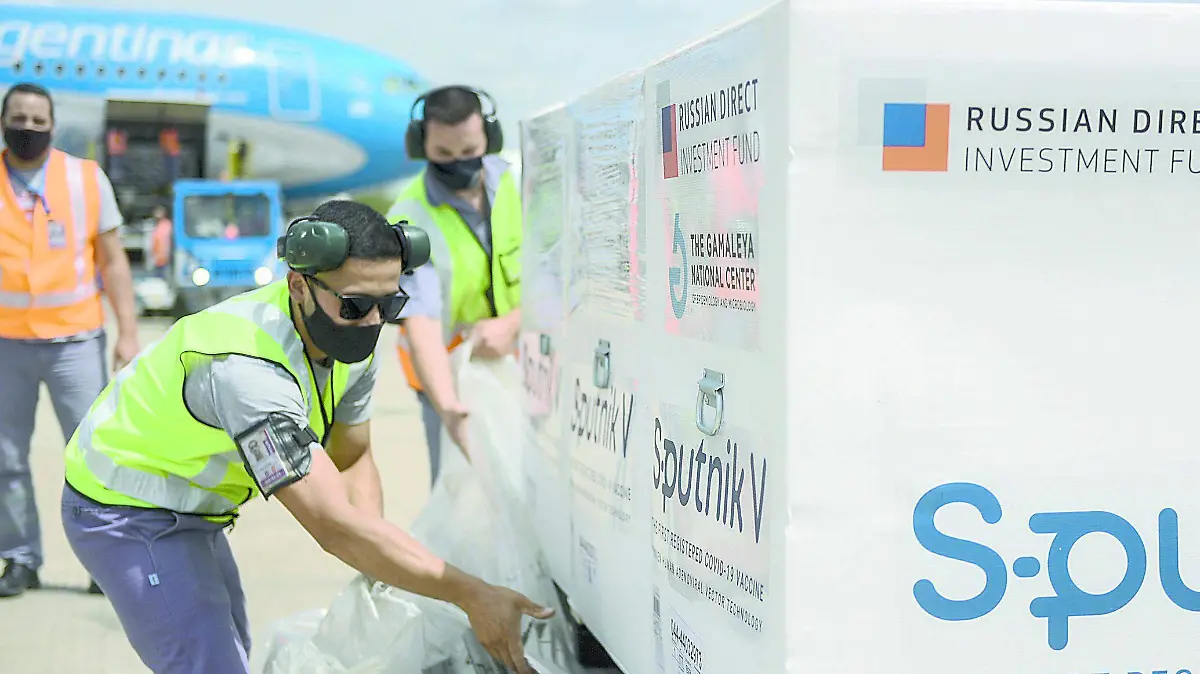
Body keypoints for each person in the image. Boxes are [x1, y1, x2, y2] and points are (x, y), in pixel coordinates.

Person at [61, 199, 552, 674]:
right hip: (125, 508)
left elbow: (352, 456)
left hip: (195, 510)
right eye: (355, 305)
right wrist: (470, 594)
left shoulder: (350, 341)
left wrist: (380, 564)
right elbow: (331, 524)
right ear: (298, 286)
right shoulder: (247, 371)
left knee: (231, 650)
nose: (373, 321)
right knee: (209, 665)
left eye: (390, 303)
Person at [0, 82, 141, 598]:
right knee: (6, 459)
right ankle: (19, 558)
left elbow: (113, 261)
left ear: (53, 126)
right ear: (3, 122)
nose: (28, 128)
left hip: (75, 343)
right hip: (6, 344)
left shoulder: (85, 179)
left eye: (38, 120)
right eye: (18, 118)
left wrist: (128, 332)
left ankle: (104, 561)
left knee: (92, 455)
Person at [387, 85, 522, 485]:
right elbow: (422, 319)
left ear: (489, 138)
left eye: (468, 150)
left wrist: (512, 324)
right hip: (447, 378)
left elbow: (558, 271)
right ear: (421, 146)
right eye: (443, 154)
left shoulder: (522, 184)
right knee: (461, 491)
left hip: (526, 365)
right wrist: (450, 409)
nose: (458, 163)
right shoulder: (410, 216)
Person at [150, 204, 173, 279]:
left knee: (163, 277)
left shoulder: (167, 225)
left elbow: (167, 241)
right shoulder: (157, 225)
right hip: (157, 258)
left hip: (165, 258)